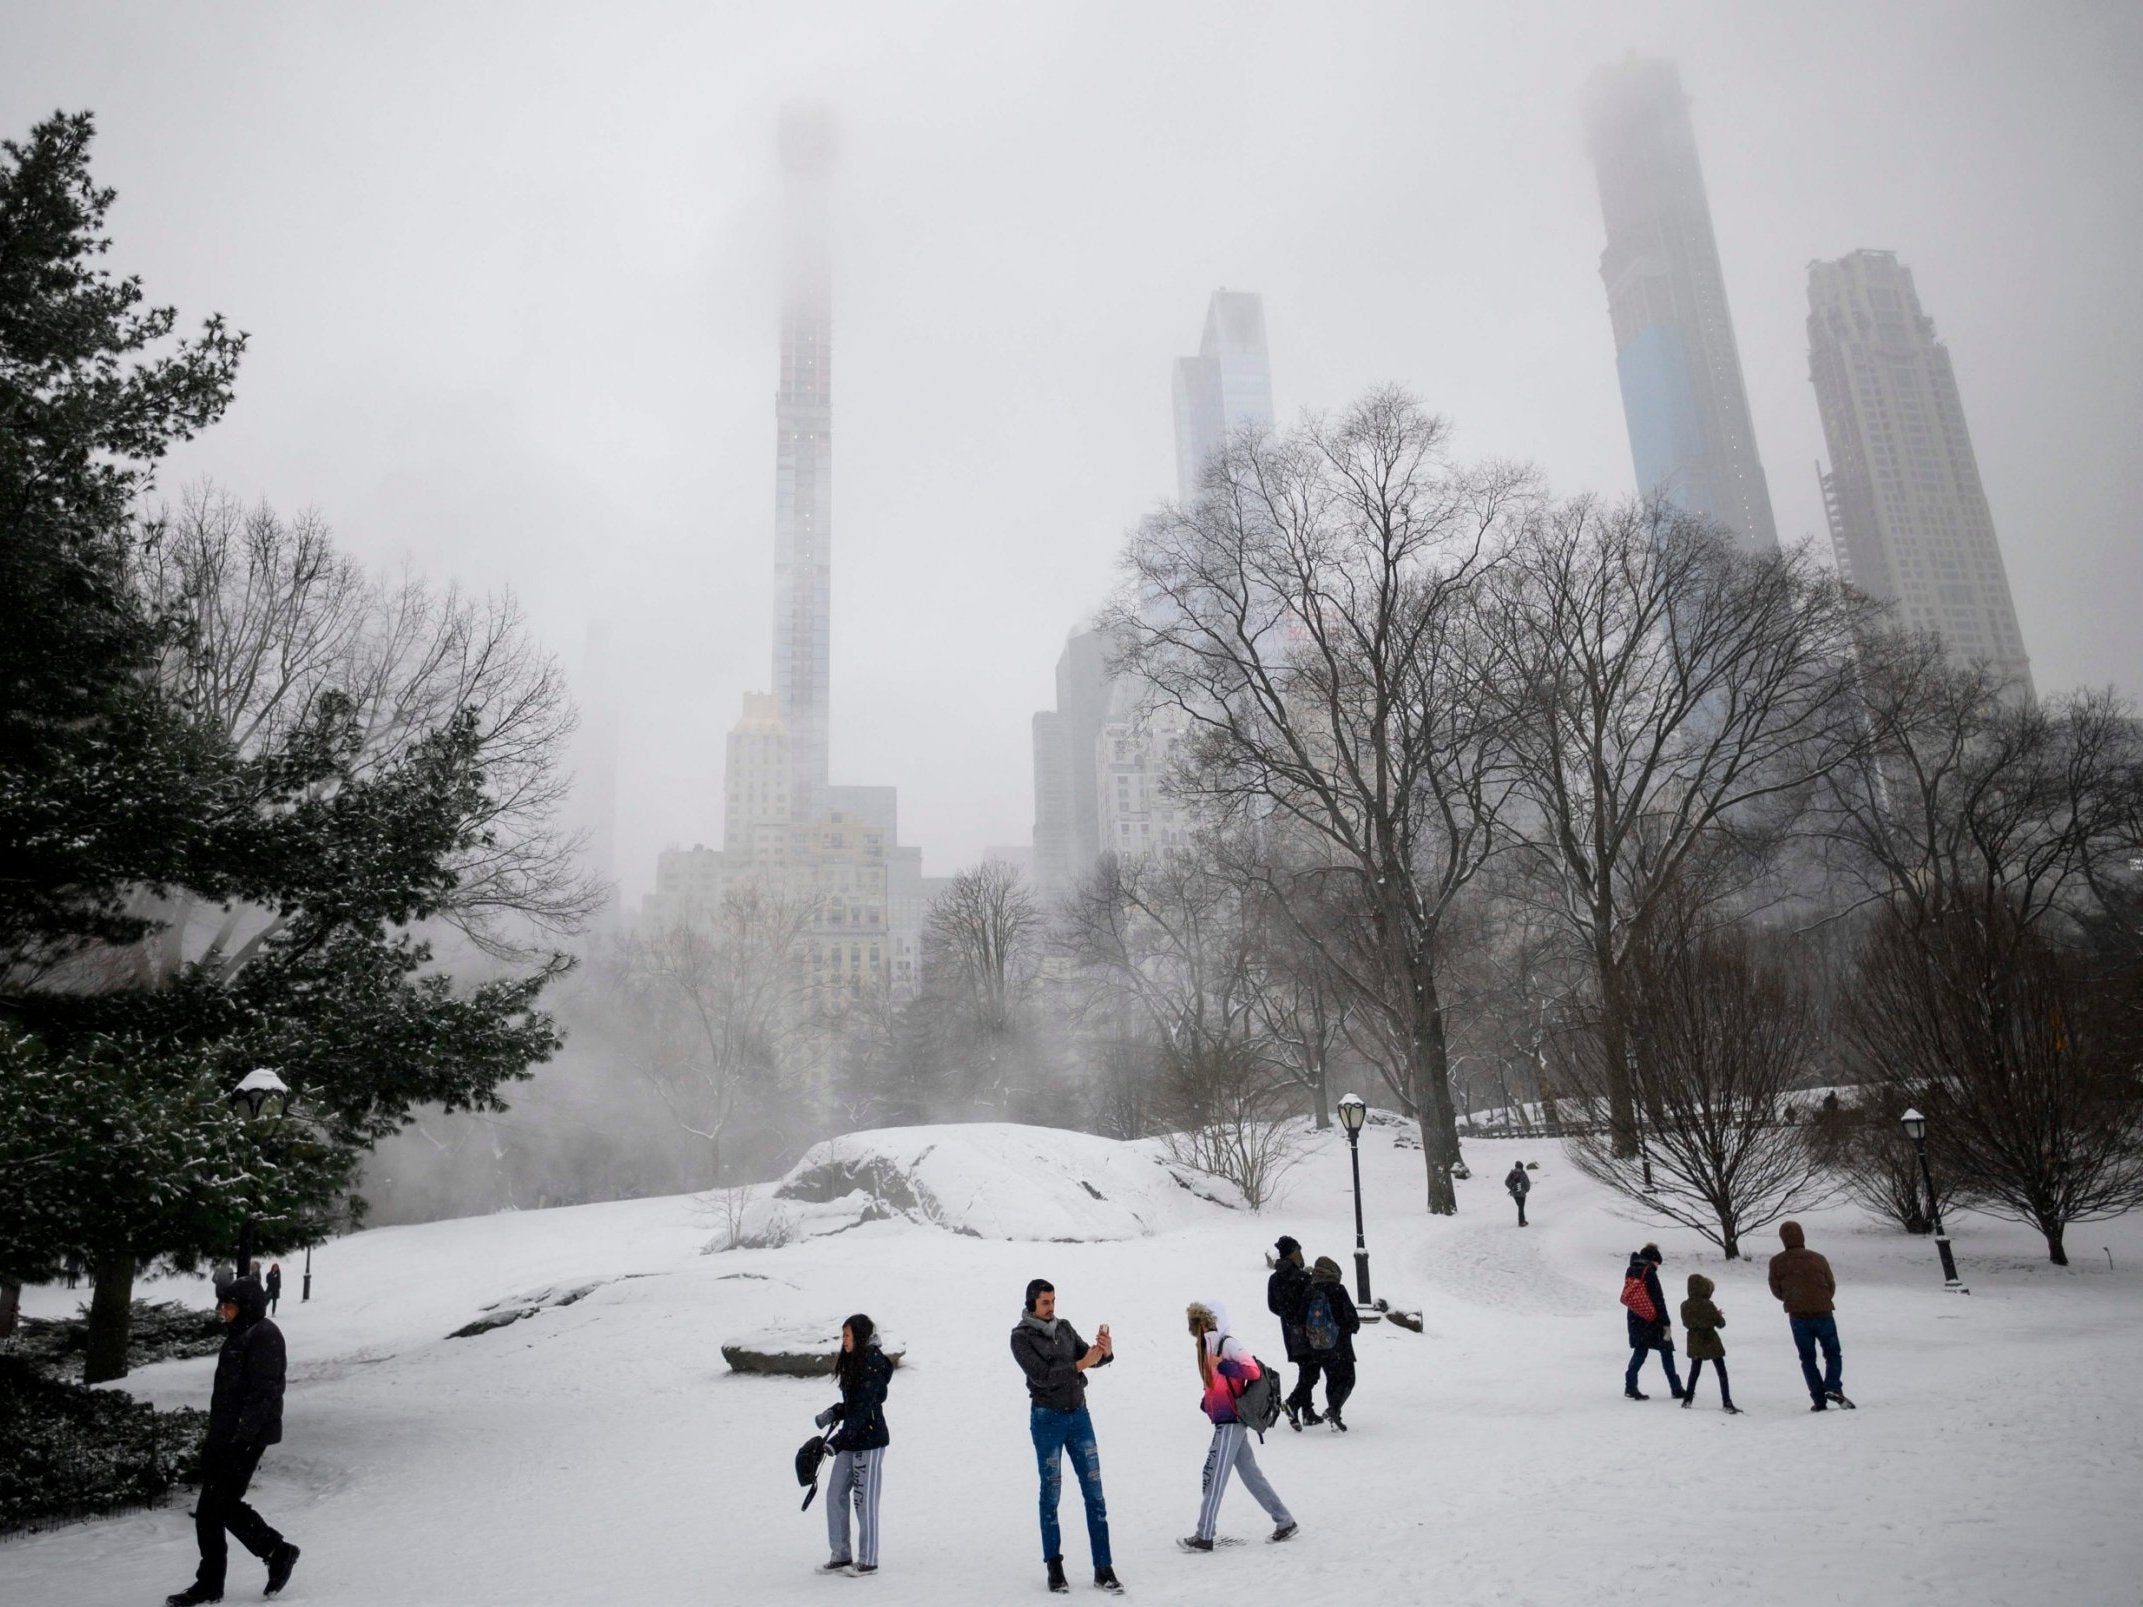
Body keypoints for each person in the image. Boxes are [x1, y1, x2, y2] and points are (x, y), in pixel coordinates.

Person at [165, 1275, 300, 1605]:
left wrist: (241, 1437)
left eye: (227, 1306)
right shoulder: (241, 1333)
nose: (222, 1311)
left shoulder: (264, 1336)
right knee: (211, 1508)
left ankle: (276, 1551)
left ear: (246, 1307)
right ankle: (212, 1582)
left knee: (219, 1504)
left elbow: (264, 1393)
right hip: (225, 1433)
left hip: (246, 1437)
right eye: (221, 1305)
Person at [1010, 1278, 1123, 1594]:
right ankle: (1054, 1568)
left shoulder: (1064, 1328)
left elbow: (1088, 1358)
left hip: (1079, 1415)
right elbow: (1041, 1377)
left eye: (1054, 1301)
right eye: (1046, 1302)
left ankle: (1104, 1568)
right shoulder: (1020, 1337)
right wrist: (1081, 1363)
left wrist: (1104, 1351)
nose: (1051, 1308)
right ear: (1032, 1303)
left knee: (1095, 1492)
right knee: (1052, 1492)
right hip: (1047, 1419)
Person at [1179, 1301, 1297, 1552]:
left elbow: (1252, 1371)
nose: (1195, 1328)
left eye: (1197, 1322)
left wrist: (1223, 1365)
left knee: (1214, 1476)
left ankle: (1204, 1535)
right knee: (1251, 1475)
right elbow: (1217, 1383)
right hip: (1225, 1418)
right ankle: (1285, 1521)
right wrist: (1208, 1401)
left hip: (1232, 1420)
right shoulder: (1206, 1345)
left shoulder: (1227, 1343)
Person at [816, 1312, 892, 1575]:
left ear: (859, 1336)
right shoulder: (853, 1360)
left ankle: (868, 1559)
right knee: (835, 1493)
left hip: (869, 1442)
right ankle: (841, 1554)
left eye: (847, 1336)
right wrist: (834, 1412)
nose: (844, 1341)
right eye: (843, 1336)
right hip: (851, 1439)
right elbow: (852, 1405)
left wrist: (835, 1443)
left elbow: (862, 1410)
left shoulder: (872, 1363)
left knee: (864, 1501)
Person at [1768, 1221, 1853, 1411]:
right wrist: (1820, 1298)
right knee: (1832, 1353)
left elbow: (1776, 1290)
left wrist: (1792, 1298)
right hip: (1823, 1312)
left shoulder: (1777, 1262)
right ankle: (1832, 1386)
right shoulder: (1818, 1258)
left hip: (1798, 1316)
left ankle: (1818, 1400)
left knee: (1807, 1359)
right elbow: (1830, 1285)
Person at [1265, 1235, 1318, 1428]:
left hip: (1289, 1331)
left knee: (1305, 1368)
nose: (1301, 1254)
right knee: (1312, 1371)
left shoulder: (1274, 1278)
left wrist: (1287, 1316)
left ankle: (1307, 1412)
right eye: (1298, 1251)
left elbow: (1272, 1306)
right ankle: (1293, 1403)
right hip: (1306, 1330)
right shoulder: (1303, 1278)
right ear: (1293, 1253)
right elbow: (1312, 1304)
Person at [1621, 1243, 1684, 1401]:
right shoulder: (1649, 1272)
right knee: (1667, 1351)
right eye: (1657, 1263)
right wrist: (1666, 1322)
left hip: (1635, 1317)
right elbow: (1658, 1299)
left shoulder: (1631, 1270)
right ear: (1652, 1260)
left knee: (1640, 1351)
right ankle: (1676, 1388)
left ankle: (1630, 1385)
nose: (1658, 1267)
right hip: (1653, 1319)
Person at [1305, 1257, 1360, 1430]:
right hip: (1340, 1342)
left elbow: (1301, 1316)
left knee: (1331, 1378)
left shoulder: (1310, 1289)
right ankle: (1334, 1409)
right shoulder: (1337, 1289)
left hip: (1318, 1343)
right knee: (1348, 1378)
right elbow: (1350, 1316)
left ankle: (1333, 1409)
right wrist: (1352, 1327)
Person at [1679, 1273, 1739, 1414]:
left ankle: (1687, 1400)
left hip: (1694, 1340)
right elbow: (1721, 1324)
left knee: (1694, 1371)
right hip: (1710, 1340)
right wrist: (1717, 1316)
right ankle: (1726, 1401)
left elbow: (1686, 1322)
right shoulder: (1708, 1305)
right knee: (1721, 1372)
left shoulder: (1685, 1305)